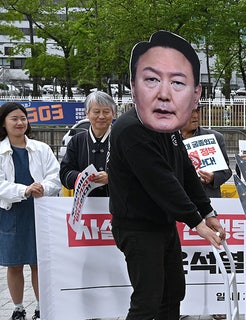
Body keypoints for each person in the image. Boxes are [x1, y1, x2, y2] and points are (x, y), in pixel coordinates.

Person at [107, 30, 225, 319]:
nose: (164, 93)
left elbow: (184, 171)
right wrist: (196, 221)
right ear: (134, 86)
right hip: (137, 227)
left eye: (176, 83)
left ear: (194, 93)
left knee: (173, 292)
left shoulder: (167, 125)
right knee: (148, 300)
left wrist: (207, 211)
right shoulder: (131, 129)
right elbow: (162, 182)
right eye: (152, 79)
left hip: (163, 225)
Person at [1, 102, 61, 320]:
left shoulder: (41, 148)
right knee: (14, 264)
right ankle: (18, 308)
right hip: (12, 213)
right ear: (4, 123)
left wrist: (43, 187)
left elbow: (56, 175)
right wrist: (24, 190)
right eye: (14, 119)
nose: (20, 123)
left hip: (39, 211)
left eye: (23, 118)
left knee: (39, 263)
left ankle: (41, 306)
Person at [59, 91, 116, 197]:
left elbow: (134, 172)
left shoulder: (121, 140)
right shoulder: (77, 141)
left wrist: (111, 178)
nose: (101, 116)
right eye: (96, 112)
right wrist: (82, 177)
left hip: (115, 206)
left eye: (106, 112)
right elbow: (64, 173)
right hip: (84, 206)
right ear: (87, 113)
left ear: (113, 114)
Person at [180, 104, 232, 198]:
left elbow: (226, 171)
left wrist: (213, 177)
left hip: (209, 200)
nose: (195, 115)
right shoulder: (167, 139)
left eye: (197, 111)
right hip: (178, 201)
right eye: (190, 111)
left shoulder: (215, 138)